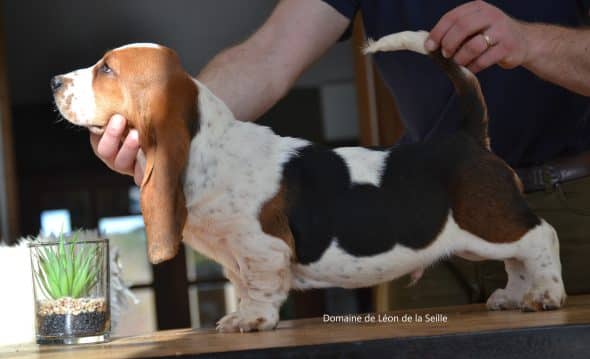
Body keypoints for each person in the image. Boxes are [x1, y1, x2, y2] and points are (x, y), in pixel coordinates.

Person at [91, 0, 590, 305]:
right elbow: (267, 58)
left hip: (573, 204)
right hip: (414, 203)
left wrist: (529, 41)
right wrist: (166, 125)